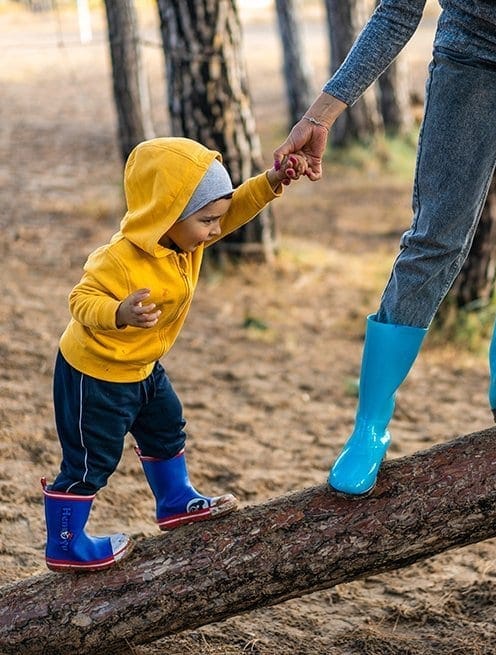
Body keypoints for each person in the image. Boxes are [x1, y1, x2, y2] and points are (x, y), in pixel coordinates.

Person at [42, 136, 306, 572]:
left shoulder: (187, 240)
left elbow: (234, 208)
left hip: (144, 367)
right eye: (207, 221)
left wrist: (272, 181)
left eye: (215, 220)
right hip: (97, 374)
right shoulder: (120, 259)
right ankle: (65, 543)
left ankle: (175, 501)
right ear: (166, 214)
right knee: (92, 460)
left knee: (166, 427)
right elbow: (79, 299)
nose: (215, 230)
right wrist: (118, 312)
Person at [274, 0, 496, 496]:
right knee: (434, 243)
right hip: (474, 57)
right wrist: (323, 112)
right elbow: (397, 9)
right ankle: (370, 427)